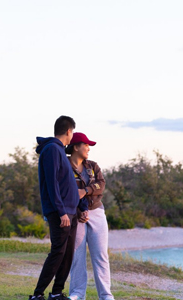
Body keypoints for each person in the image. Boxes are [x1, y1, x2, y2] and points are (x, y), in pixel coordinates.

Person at [30, 116, 89, 300]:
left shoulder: (60, 152)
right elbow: (52, 183)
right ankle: (37, 295)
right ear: (69, 131)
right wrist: (61, 211)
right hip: (60, 212)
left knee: (67, 253)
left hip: (70, 212)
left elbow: (67, 183)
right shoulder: (52, 150)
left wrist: (80, 205)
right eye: (72, 133)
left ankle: (56, 293)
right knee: (58, 252)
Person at [65, 132, 115, 300]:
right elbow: (64, 192)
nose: (88, 149)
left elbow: (101, 185)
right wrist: (79, 212)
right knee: (76, 255)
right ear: (76, 146)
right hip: (75, 215)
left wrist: (85, 191)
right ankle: (77, 294)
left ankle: (106, 295)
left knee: (100, 255)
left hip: (97, 213)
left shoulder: (93, 166)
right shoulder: (64, 166)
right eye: (86, 145)